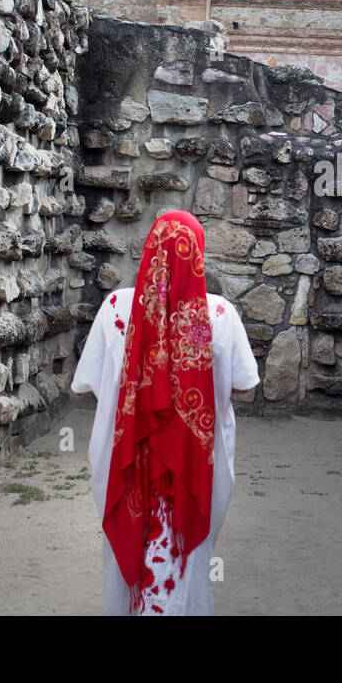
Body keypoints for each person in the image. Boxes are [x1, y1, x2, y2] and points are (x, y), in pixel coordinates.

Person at [70, 210, 259, 615]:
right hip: (195, 469)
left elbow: (90, 384)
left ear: (150, 252)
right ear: (198, 256)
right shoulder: (221, 316)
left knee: (127, 568)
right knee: (188, 568)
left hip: (125, 464)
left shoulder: (115, 309)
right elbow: (244, 386)